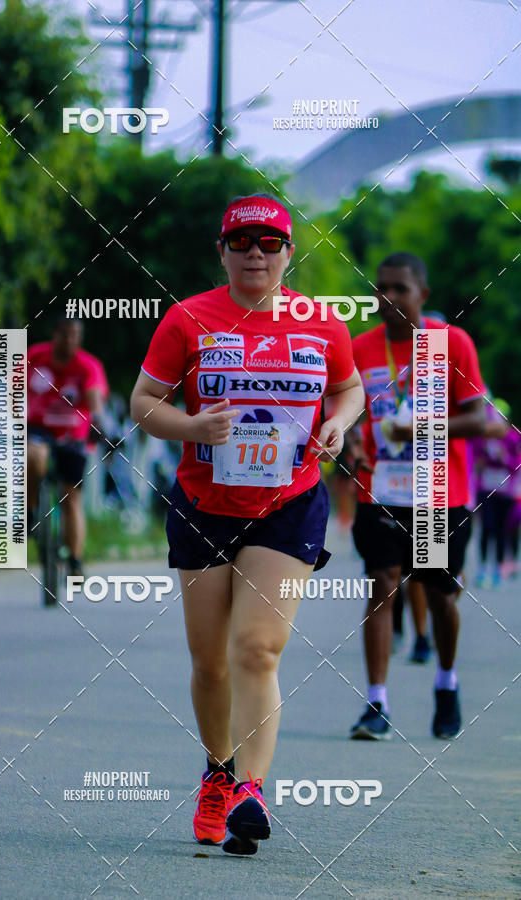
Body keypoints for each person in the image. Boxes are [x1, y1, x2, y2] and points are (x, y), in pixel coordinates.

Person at [130, 194, 364, 855]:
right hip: (204, 507)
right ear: (222, 252)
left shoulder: (322, 323)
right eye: (241, 243)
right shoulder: (188, 319)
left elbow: (348, 388)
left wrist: (338, 423)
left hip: (288, 504)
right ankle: (219, 770)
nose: (255, 253)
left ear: (290, 253)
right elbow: (144, 403)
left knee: (257, 650)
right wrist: (191, 426)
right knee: (210, 665)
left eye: (269, 243)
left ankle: (252, 790)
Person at [348, 252, 486, 741]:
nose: (387, 298)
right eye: (380, 288)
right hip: (381, 490)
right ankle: (376, 703)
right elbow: (345, 414)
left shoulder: (450, 344)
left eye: (399, 288)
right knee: (383, 583)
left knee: (438, 591)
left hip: (437, 493)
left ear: (422, 294)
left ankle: (446, 683)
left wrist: (421, 426)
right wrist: (348, 447)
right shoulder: (359, 348)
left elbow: (481, 419)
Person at [27, 318, 108, 576]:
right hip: (38, 430)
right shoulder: (35, 356)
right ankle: (30, 512)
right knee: (33, 455)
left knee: (71, 497)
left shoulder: (88, 365)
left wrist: (97, 421)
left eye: (75, 335)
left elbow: (94, 396)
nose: (70, 341)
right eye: (65, 334)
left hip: (74, 434)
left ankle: (74, 560)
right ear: (54, 334)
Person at [470, 398, 521, 588]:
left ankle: (499, 568)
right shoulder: (481, 438)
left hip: (505, 491)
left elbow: (516, 465)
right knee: (487, 528)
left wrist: (504, 459)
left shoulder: (513, 438)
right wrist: (480, 462)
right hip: (485, 488)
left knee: (501, 530)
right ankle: (483, 569)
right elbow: (473, 457)